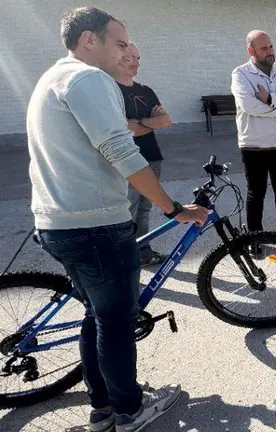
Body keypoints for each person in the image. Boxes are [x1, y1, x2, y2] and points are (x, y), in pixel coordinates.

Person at [26, 7, 208, 432]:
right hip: (95, 225)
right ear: (90, 40)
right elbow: (123, 151)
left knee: (98, 315)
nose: (128, 51)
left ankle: (103, 406)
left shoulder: (52, 78)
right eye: (120, 43)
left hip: (59, 222)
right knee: (116, 320)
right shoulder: (89, 79)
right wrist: (174, 208)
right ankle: (129, 410)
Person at [230, 30, 276, 239]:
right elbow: (249, 106)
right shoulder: (241, 74)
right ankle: (254, 237)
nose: (270, 51)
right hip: (255, 146)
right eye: (264, 48)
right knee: (256, 193)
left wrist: (270, 98)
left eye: (271, 46)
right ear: (251, 50)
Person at [115, 42, 172, 266]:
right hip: (127, 159)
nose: (136, 63)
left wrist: (139, 122)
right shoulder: (111, 91)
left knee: (145, 210)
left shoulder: (145, 91)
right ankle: (125, 258)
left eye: (138, 58)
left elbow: (165, 121)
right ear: (118, 58)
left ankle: (143, 252)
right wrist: (150, 122)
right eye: (130, 58)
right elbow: (125, 129)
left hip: (152, 155)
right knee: (127, 210)